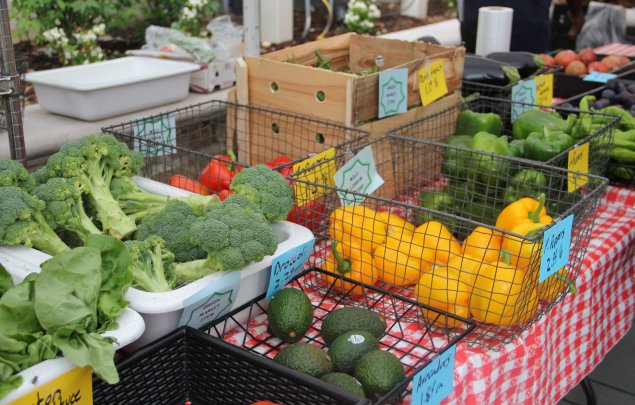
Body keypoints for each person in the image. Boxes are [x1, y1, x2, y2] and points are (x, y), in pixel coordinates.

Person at [459, 0, 585, 54]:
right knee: (527, 91)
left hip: (477, 23)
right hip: (529, 27)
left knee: (477, 89)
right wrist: (577, 15)